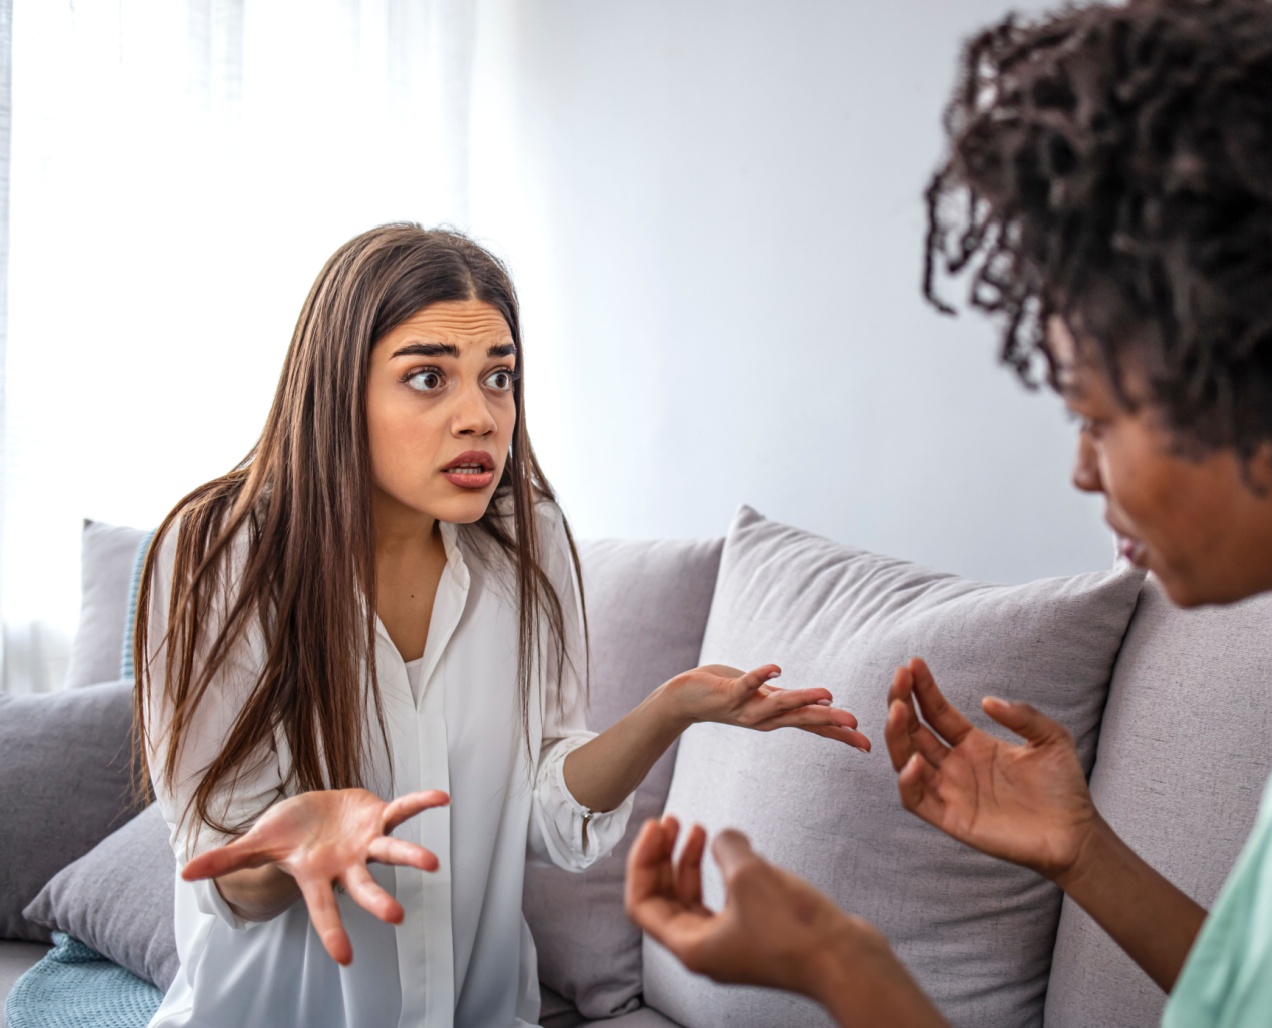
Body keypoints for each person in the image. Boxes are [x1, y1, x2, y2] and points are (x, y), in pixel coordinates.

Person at [625, 0, 1272, 1026]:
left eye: (1095, 414)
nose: (1083, 470)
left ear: (1264, 390)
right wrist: (1083, 851)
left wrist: (838, 964)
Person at [132, 224, 871, 1027]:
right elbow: (221, 871)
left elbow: (551, 816)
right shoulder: (221, 554)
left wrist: (671, 711)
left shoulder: (529, 541)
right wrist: (283, 847)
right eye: (427, 377)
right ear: (337, 388)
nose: (480, 416)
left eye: (499, 377)